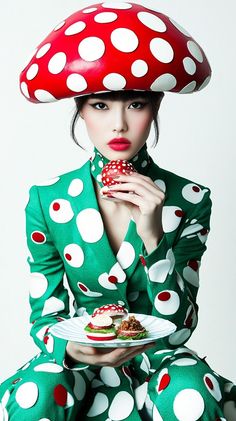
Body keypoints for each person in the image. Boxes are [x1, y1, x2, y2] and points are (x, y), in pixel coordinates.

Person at [1, 2, 236, 420]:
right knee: (38, 393)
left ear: (156, 106)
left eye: (136, 104)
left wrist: (153, 235)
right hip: (80, 362)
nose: (119, 126)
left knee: (192, 397)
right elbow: (45, 316)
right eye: (101, 106)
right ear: (80, 109)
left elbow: (180, 326)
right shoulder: (47, 200)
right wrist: (70, 348)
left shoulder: (191, 198)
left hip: (160, 361)